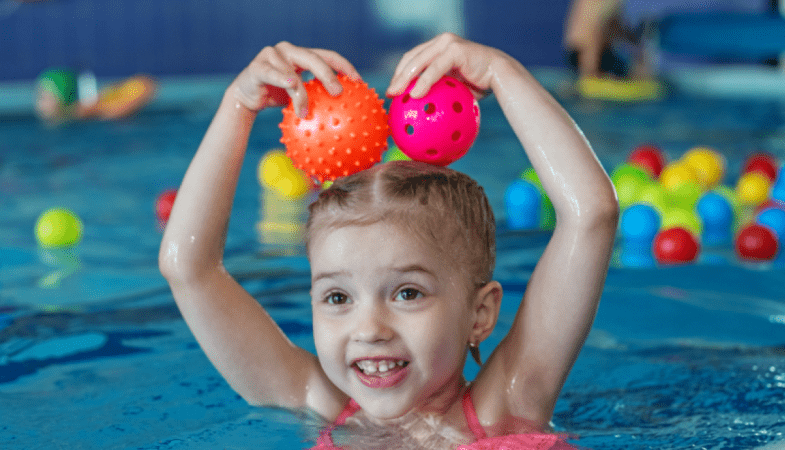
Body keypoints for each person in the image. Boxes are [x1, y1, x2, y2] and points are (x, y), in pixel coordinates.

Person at [159, 33, 618, 449]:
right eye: (338, 296)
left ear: (480, 314)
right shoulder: (313, 399)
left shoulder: (507, 406)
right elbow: (189, 269)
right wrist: (237, 105)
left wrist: (501, 71)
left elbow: (591, 215)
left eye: (407, 292)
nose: (370, 328)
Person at [34, 68, 156, 123]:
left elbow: (146, 84)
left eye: (44, 98)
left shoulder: (83, 112)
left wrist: (110, 109)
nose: (39, 104)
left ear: (63, 97)